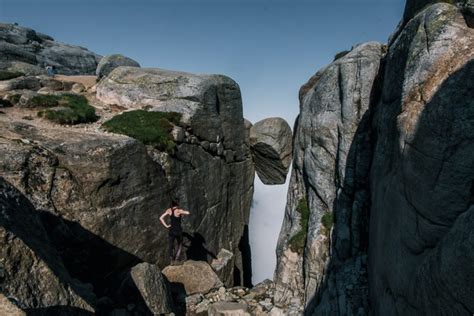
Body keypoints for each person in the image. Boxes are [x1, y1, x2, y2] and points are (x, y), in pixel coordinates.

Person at [160, 200, 190, 265]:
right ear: (177, 204)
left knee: (171, 245)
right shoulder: (178, 210)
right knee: (180, 244)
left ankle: (171, 260)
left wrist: (166, 226)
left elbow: (161, 218)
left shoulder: (169, 210)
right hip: (178, 231)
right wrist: (181, 211)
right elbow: (188, 213)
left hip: (171, 231)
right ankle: (177, 259)